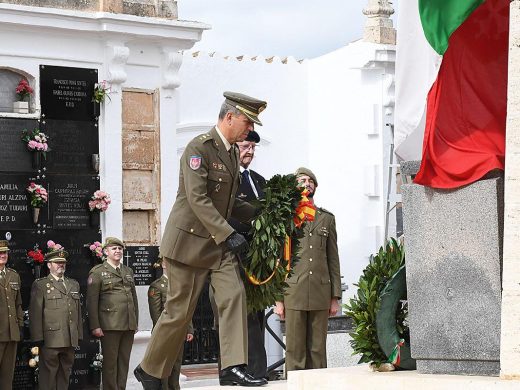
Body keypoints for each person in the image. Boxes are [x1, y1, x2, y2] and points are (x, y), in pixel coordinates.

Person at [134, 91, 268, 389]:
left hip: (217, 246)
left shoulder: (233, 153)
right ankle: (149, 369)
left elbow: (230, 203)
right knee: (179, 314)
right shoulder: (199, 148)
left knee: (234, 295)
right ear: (229, 116)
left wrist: (265, 213)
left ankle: (232, 366)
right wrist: (228, 233)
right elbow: (198, 199)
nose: (250, 130)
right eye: (247, 122)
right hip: (189, 243)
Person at [274, 167, 341, 372]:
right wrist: (278, 298)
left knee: (318, 350)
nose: (307, 183)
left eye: (311, 180)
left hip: (321, 291)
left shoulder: (326, 218)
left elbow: (333, 259)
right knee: (294, 349)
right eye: (302, 180)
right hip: (293, 291)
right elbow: (279, 259)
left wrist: (334, 297)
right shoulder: (287, 217)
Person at [229, 130, 268, 379]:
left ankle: (258, 370)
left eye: (253, 148)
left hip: (258, 256)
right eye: (245, 146)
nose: (250, 152)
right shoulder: (229, 178)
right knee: (238, 314)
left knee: (257, 313)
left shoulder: (259, 179)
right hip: (235, 253)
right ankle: (238, 369)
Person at [87, 237, 138, 390]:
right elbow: (92, 301)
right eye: (114, 249)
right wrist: (95, 326)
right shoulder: (98, 272)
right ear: (106, 252)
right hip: (109, 324)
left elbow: (133, 298)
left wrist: (135, 322)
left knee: (123, 362)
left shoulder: (127, 271)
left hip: (127, 323)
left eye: (120, 249)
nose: (117, 251)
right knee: (110, 364)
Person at [29, 248, 83, 390]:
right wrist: (37, 337)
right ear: (49, 265)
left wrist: (79, 334)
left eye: (63, 262)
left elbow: (78, 311)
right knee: (48, 376)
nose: (61, 265)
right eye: (57, 262)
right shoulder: (41, 285)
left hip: (69, 338)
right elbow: (35, 313)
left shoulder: (73, 284)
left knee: (65, 373)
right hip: (50, 339)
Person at [148, 259, 194, 390]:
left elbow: (186, 308)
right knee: (164, 366)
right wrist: (161, 333)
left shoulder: (181, 284)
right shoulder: (156, 286)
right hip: (164, 333)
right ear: (163, 265)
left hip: (179, 332)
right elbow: (156, 314)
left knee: (176, 366)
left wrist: (189, 329)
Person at [0, 240, 23, 390]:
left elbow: (18, 304)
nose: (3, 255)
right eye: (0, 252)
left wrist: (19, 325)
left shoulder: (13, 276)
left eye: (5, 252)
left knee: (8, 375)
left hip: (11, 333)